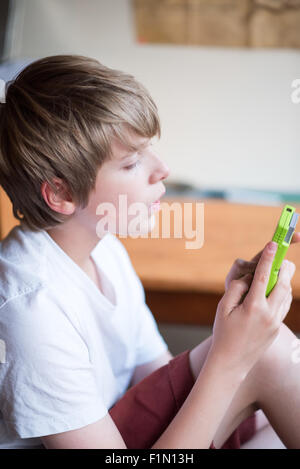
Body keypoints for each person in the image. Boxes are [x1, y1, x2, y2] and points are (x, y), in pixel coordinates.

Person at [0, 55, 299, 450]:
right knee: (271, 356)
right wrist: (232, 357)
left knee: (271, 369)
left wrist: (234, 330)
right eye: (132, 162)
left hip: (123, 423)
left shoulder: (105, 252)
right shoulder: (31, 309)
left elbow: (156, 377)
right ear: (61, 193)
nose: (163, 170)